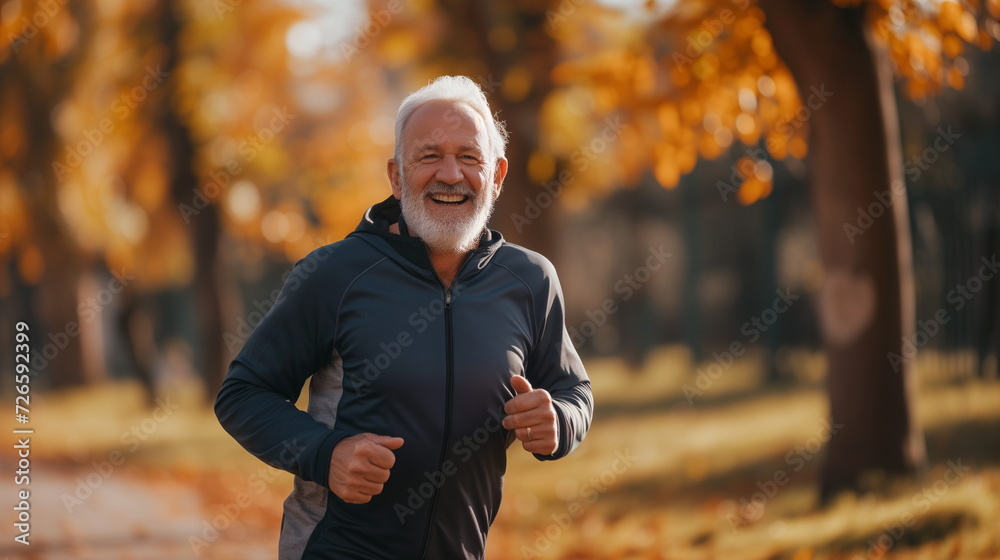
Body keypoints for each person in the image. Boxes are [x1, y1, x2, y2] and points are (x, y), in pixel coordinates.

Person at [215, 75, 593, 560]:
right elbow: (243, 395)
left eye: (469, 157)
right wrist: (325, 455)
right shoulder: (335, 273)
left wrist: (559, 421)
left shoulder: (529, 281)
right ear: (396, 175)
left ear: (497, 175)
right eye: (429, 156)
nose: (451, 175)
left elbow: (574, 391)